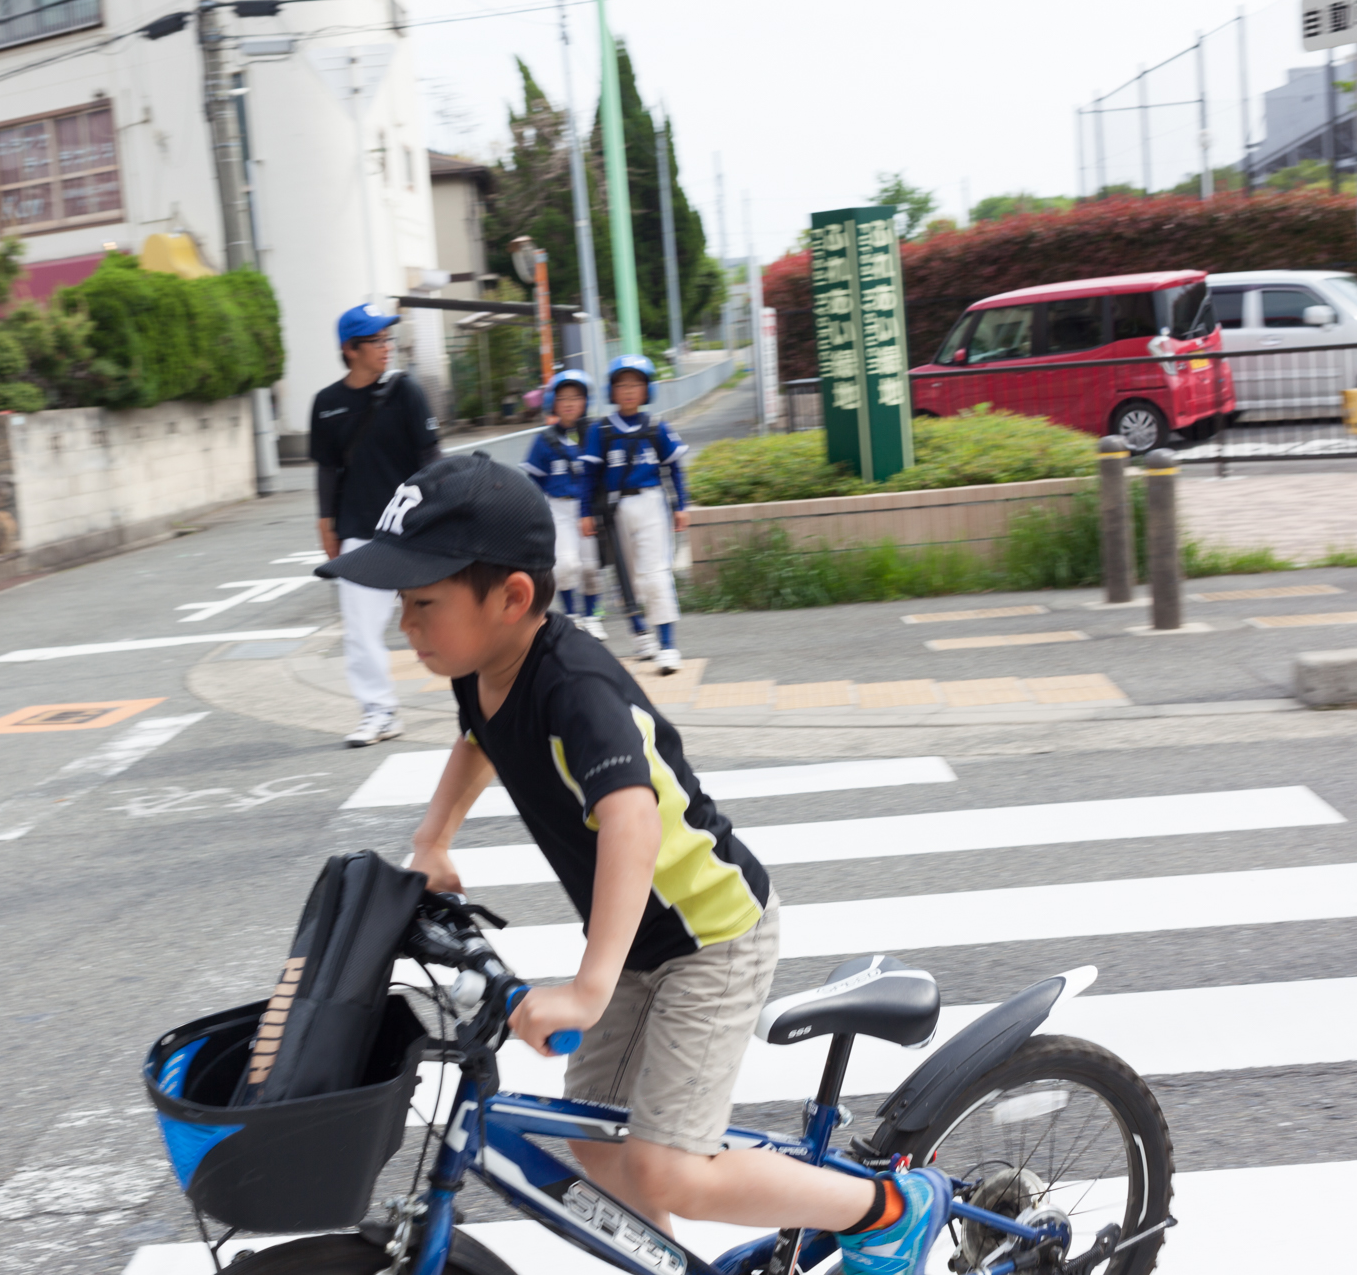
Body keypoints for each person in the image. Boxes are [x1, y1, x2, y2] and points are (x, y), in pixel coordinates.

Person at [313, 452, 949, 1274]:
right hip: (638, 943)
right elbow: (479, 741)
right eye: (402, 602)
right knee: (597, 1140)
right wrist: (434, 839)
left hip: (711, 934)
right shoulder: (480, 667)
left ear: (510, 598)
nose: (406, 623)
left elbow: (633, 821)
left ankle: (891, 1209)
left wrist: (588, 983)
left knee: (665, 1166)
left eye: (423, 602)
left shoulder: (577, 688)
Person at [309, 302, 441, 747]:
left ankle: (484, 700)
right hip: (360, 530)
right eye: (376, 341)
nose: (386, 348)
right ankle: (379, 712)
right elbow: (327, 469)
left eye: (388, 339)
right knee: (361, 630)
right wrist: (326, 522)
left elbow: (430, 460)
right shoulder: (326, 404)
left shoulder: (407, 391)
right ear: (350, 349)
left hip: (414, 528)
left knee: (446, 619)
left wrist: (440, 515)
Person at [578, 355, 687, 673]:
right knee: (628, 579)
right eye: (622, 384)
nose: (628, 390)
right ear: (612, 391)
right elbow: (588, 477)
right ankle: (641, 635)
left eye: (636, 384)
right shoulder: (601, 430)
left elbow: (675, 468)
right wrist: (585, 513)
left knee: (656, 575)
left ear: (646, 389)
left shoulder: (656, 427)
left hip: (652, 504)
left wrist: (682, 505)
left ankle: (668, 646)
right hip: (616, 509)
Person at [518, 368, 607, 640]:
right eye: (563, 398)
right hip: (558, 509)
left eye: (576, 397)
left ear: (585, 402)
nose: (569, 403)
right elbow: (533, 480)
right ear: (553, 403)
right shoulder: (544, 440)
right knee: (566, 565)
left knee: (591, 565)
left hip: (588, 509)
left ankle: (593, 616)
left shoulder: (596, 434)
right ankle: (572, 616)